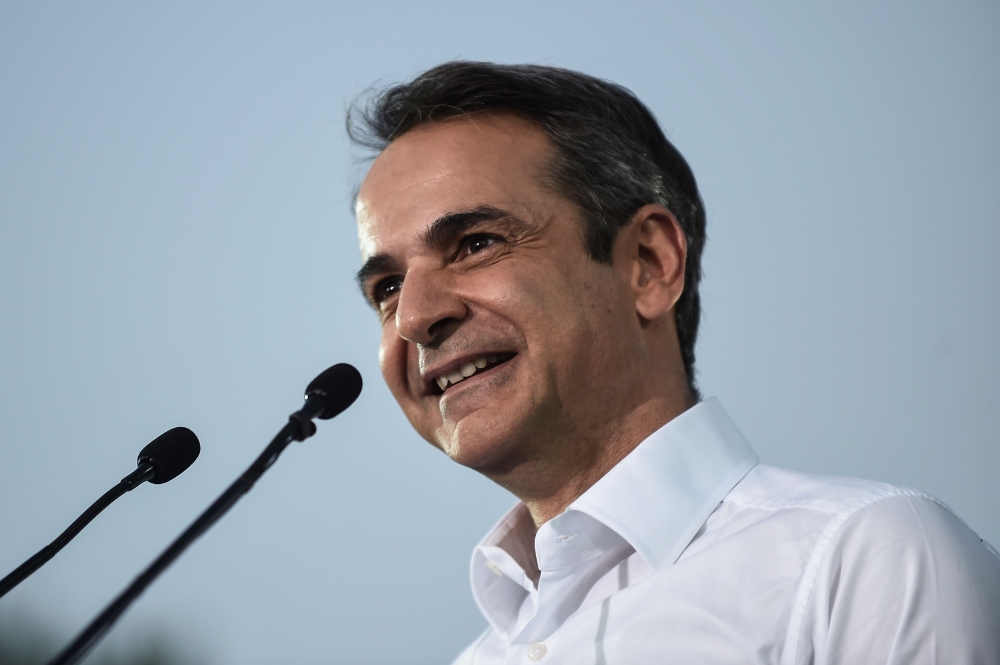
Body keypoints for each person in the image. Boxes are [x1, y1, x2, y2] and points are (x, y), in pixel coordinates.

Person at [348, 61, 1000, 664]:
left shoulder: (859, 558)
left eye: (475, 244)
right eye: (387, 288)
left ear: (649, 264)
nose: (414, 317)